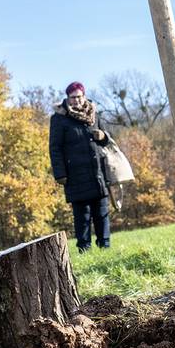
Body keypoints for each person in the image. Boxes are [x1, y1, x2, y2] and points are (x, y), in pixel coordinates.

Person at [49, 82, 111, 252]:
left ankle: (104, 246)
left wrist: (103, 136)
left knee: (102, 211)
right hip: (75, 174)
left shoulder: (94, 114)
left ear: (84, 96)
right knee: (82, 215)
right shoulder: (59, 118)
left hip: (97, 171)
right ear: (67, 98)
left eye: (78, 97)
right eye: (72, 97)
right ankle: (84, 248)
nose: (76, 100)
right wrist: (60, 173)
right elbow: (55, 148)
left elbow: (107, 141)